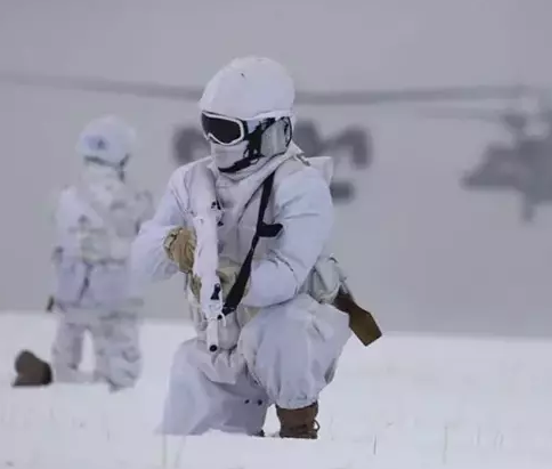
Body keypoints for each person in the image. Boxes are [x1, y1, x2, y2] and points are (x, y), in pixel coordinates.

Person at [130, 56, 380, 439]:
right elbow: (139, 262)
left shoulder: (300, 186)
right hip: (217, 345)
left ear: (268, 130)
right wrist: (172, 246)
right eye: (209, 126)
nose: (214, 141)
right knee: (179, 447)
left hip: (289, 341)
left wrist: (231, 281)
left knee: (281, 328)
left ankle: (297, 426)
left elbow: (287, 275)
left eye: (226, 131)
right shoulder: (191, 182)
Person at [12, 115, 153, 392]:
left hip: (71, 290)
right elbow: (145, 240)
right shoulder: (132, 199)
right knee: (120, 372)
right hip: (115, 295)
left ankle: (56, 382)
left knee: (66, 356)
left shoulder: (65, 195)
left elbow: (60, 241)